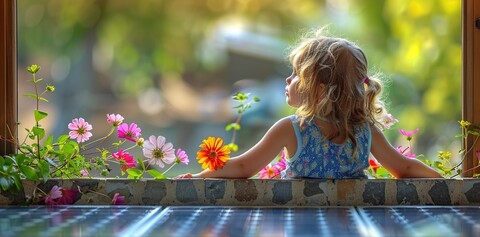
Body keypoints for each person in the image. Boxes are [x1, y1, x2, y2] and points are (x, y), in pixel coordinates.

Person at [176, 29, 442, 179]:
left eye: (295, 74)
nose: (288, 79)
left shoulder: (291, 129)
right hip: (353, 225)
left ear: (319, 88)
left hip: (298, 223)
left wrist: (198, 178)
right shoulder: (365, 131)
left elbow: (245, 167)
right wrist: (446, 183)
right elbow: (405, 167)